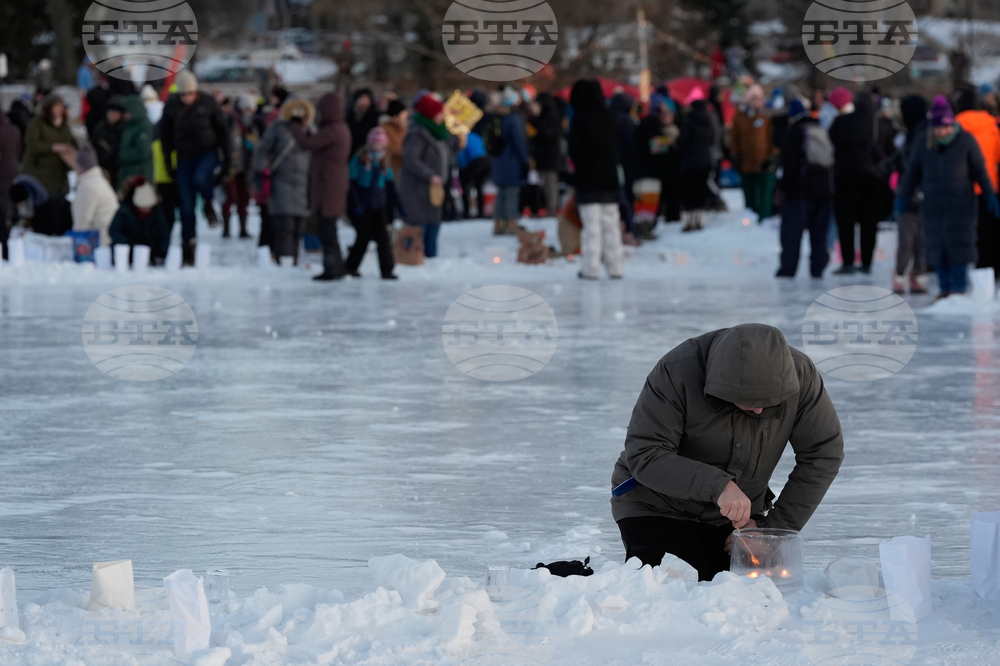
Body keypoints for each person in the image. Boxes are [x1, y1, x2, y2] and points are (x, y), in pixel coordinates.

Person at [611, 323, 844, 581]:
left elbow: (823, 453)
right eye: (750, 402)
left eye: (770, 403)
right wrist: (719, 486)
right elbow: (646, 453)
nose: (760, 411)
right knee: (674, 582)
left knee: (745, 587)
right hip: (657, 507)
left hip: (737, 519)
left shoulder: (801, 375)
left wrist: (771, 531)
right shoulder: (677, 370)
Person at [897, 96, 1000, 300]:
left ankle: (959, 287)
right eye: (938, 128)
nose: (942, 132)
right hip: (933, 204)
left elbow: (979, 171)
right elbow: (912, 173)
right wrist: (903, 196)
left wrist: (989, 193)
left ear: (952, 124)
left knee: (960, 245)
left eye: (945, 127)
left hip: (962, 204)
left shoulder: (966, 141)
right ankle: (945, 288)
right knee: (937, 246)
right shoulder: (923, 143)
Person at [160, 70, 230, 265]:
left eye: (190, 93)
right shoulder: (171, 106)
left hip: (207, 153)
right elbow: (165, 135)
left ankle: (208, 203)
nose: (187, 98)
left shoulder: (208, 103)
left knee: (200, 179)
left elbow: (223, 132)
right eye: (183, 94)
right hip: (183, 158)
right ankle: (188, 247)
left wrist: (228, 160)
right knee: (186, 207)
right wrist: (168, 161)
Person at [289, 92, 351, 280]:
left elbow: (308, 144)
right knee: (327, 229)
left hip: (329, 185)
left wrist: (295, 127)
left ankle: (333, 269)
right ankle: (336, 267)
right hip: (331, 183)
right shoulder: (338, 128)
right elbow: (315, 141)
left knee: (327, 230)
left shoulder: (334, 130)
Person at [567, 79, 624, 279]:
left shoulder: (580, 118)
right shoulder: (610, 115)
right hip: (609, 178)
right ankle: (616, 267)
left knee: (591, 227)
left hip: (588, 179)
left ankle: (591, 269)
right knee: (611, 226)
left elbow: (574, 150)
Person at [828, 92, 887, 274]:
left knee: (846, 220)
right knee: (869, 222)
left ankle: (848, 262)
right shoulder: (877, 123)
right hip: (872, 176)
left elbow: (832, 140)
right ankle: (867, 262)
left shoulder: (841, 121)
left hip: (845, 174)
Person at [775, 99, 833, 278]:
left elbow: (789, 165)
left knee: (792, 234)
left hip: (800, 191)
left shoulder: (794, 132)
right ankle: (818, 268)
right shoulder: (820, 129)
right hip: (823, 190)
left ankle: (788, 269)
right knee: (819, 234)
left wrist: (783, 189)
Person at [252, 98, 313, 265]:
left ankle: (292, 260)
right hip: (281, 181)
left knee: (298, 227)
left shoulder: (310, 130)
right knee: (284, 226)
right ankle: (285, 261)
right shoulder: (278, 128)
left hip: (303, 183)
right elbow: (263, 150)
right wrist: (264, 168)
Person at [399, 94, 452, 258]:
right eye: (439, 113)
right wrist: (430, 175)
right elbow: (411, 159)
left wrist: (458, 145)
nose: (442, 116)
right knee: (418, 226)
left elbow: (445, 156)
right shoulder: (417, 133)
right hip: (417, 189)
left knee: (433, 225)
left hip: (434, 190)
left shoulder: (439, 132)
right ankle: (414, 257)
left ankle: (431, 256)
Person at [953, 87, 1000, 274]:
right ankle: (991, 269)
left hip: (961, 187)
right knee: (989, 231)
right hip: (989, 186)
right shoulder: (992, 124)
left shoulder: (954, 125)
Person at [345, 127, 399, 279]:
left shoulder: (384, 162)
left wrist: (397, 205)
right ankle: (350, 267)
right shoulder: (359, 160)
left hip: (379, 206)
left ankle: (387, 270)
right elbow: (352, 183)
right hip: (363, 205)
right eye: (374, 145)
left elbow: (390, 185)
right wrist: (356, 204)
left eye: (380, 146)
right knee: (363, 237)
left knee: (384, 238)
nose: (377, 149)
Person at [892, 95, 930, 295]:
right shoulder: (914, 133)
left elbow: (910, 166)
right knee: (916, 240)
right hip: (918, 194)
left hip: (914, 193)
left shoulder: (919, 135)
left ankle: (908, 274)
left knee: (910, 240)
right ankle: (913, 274)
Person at [636, 94, 681, 236]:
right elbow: (653, 144)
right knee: (648, 203)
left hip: (644, 169)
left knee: (644, 202)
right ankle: (646, 229)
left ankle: (645, 228)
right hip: (650, 170)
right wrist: (669, 139)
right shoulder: (653, 123)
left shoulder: (643, 123)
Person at [730, 85, 777, 221]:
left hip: (765, 162)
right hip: (746, 162)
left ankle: (765, 218)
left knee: (765, 194)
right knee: (749, 192)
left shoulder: (766, 116)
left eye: (759, 98)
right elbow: (734, 139)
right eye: (754, 98)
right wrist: (735, 156)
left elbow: (773, 137)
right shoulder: (739, 117)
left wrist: (773, 155)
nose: (757, 101)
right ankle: (750, 217)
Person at [491, 87, 531, 236]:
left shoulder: (497, 118)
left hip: (498, 161)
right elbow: (519, 143)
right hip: (512, 162)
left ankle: (498, 223)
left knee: (501, 194)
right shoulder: (514, 120)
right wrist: (525, 160)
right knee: (511, 194)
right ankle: (511, 222)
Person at [21, 93, 76, 197]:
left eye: (61, 107)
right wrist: (52, 147)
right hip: (39, 172)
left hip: (59, 176)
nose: (58, 111)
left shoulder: (63, 125)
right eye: (56, 107)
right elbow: (31, 144)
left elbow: (71, 141)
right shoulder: (36, 124)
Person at [677, 94, 717, 232]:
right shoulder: (709, 122)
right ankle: (699, 220)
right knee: (700, 191)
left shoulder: (688, 122)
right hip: (705, 161)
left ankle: (689, 221)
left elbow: (682, 142)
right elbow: (713, 140)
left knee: (689, 193)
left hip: (689, 162)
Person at [109, 177, 171, 264]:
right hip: (126, 253)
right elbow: (113, 231)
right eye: (143, 208)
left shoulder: (157, 212)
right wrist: (127, 242)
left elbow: (164, 234)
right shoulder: (124, 210)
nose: (147, 210)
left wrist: (162, 252)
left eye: (149, 207)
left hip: (151, 252)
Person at [223, 93, 259, 239]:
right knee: (228, 197)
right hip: (232, 165)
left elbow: (256, 143)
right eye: (248, 109)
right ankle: (226, 229)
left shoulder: (252, 124)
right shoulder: (230, 120)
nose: (250, 112)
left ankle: (243, 229)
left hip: (247, 165)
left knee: (244, 198)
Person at [71, 145, 118, 247]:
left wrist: (73, 244)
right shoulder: (97, 181)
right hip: (108, 238)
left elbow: (82, 220)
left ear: (80, 167)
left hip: (99, 242)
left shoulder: (88, 186)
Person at [531, 93, 563, 217]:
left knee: (550, 184)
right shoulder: (549, 115)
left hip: (549, 157)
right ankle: (550, 208)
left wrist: (536, 132)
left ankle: (552, 209)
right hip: (547, 157)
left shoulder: (549, 116)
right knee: (547, 184)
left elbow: (547, 134)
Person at [116, 94, 154, 189]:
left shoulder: (144, 127)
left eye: (127, 112)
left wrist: (121, 155)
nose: (125, 115)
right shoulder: (131, 125)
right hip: (129, 173)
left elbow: (143, 152)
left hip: (139, 174)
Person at [0, 108, 21, 259]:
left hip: (2, 170)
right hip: (13, 168)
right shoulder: (13, 129)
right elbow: (19, 149)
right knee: (9, 201)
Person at [91, 97, 126, 186]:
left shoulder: (125, 129)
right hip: (103, 168)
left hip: (120, 168)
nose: (111, 115)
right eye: (109, 112)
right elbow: (94, 145)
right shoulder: (100, 127)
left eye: (115, 112)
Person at [380, 99, 409, 177]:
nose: (406, 116)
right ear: (396, 114)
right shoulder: (384, 129)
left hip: (403, 170)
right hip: (388, 170)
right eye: (403, 113)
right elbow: (385, 148)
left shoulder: (405, 129)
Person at [347, 88, 380, 155]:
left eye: (367, 99)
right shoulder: (349, 116)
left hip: (367, 153)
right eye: (362, 99)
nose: (364, 102)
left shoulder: (374, 118)